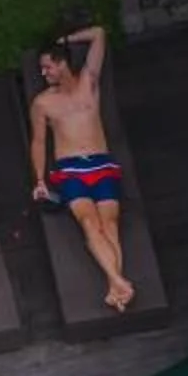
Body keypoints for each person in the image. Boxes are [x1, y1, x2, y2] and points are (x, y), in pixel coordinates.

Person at [28, 22, 133, 311]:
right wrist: (40, 179)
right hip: (71, 168)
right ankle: (118, 280)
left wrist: (64, 39)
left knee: (110, 223)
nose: (44, 72)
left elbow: (100, 32)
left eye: (47, 66)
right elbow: (38, 142)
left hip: (102, 163)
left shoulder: (89, 81)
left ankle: (116, 285)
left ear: (62, 64)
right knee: (90, 223)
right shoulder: (43, 103)